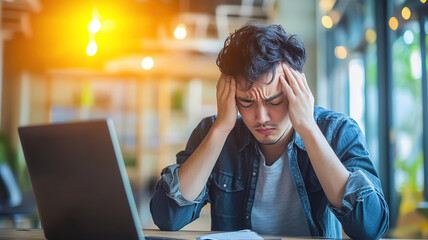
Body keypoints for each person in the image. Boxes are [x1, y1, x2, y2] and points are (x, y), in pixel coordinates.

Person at [150, 23, 389, 239]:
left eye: (275, 101)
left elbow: (370, 227)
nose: (261, 117)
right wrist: (222, 127)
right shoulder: (211, 132)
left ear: (299, 90)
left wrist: (307, 127)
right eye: (247, 103)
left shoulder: (338, 131)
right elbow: (168, 217)